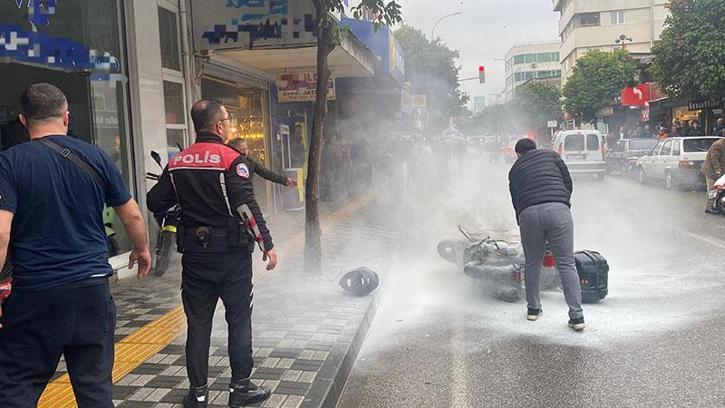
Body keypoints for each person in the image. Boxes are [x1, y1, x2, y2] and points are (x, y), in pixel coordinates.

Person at [0, 83, 151, 407]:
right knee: (95, 388)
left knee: (18, 388)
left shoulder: (9, 162)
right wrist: (141, 250)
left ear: (23, 120)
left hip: (35, 294)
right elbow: (133, 216)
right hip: (91, 290)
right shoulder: (96, 156)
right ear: (66, 117)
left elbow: (1, 233)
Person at [147, 100, 277, 408]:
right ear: (219, 126)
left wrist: (180, 212)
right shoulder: (233, 160)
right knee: (239, 321)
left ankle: (198, 395)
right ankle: (240, 390)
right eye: (228, 121)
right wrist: (267, 245)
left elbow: (155, 202)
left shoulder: (178, 162)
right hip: (232, 259)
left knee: (198, 325)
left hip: (195, 258)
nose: (230, 126)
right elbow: (246, 207)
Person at [508, 138, 585, 331]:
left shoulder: (514, 169)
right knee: (566, 263)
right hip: (558, 210)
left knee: (532, 263)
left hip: (528, 214)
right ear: (535, 148)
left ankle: (533, 309)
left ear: (518, 154)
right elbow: (568, 182)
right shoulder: (552, 155)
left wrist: (523, 219)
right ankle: (576, 317)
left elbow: (515, 200)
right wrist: (562, 203)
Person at [227, 138, 297, 188]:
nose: (245, 152)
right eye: (242, 150)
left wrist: (284, 180)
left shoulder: (250, 161)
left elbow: (265, 173)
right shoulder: (229, 163)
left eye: (246, 149)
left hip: (247, 194)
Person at [703, 136, 725, 214]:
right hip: (711, 171)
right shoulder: (718, 145)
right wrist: (717, 170)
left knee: (720, 189)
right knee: (712, 189)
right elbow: (714, 159)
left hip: (722, 170)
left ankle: (717, 205)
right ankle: (709, 207)